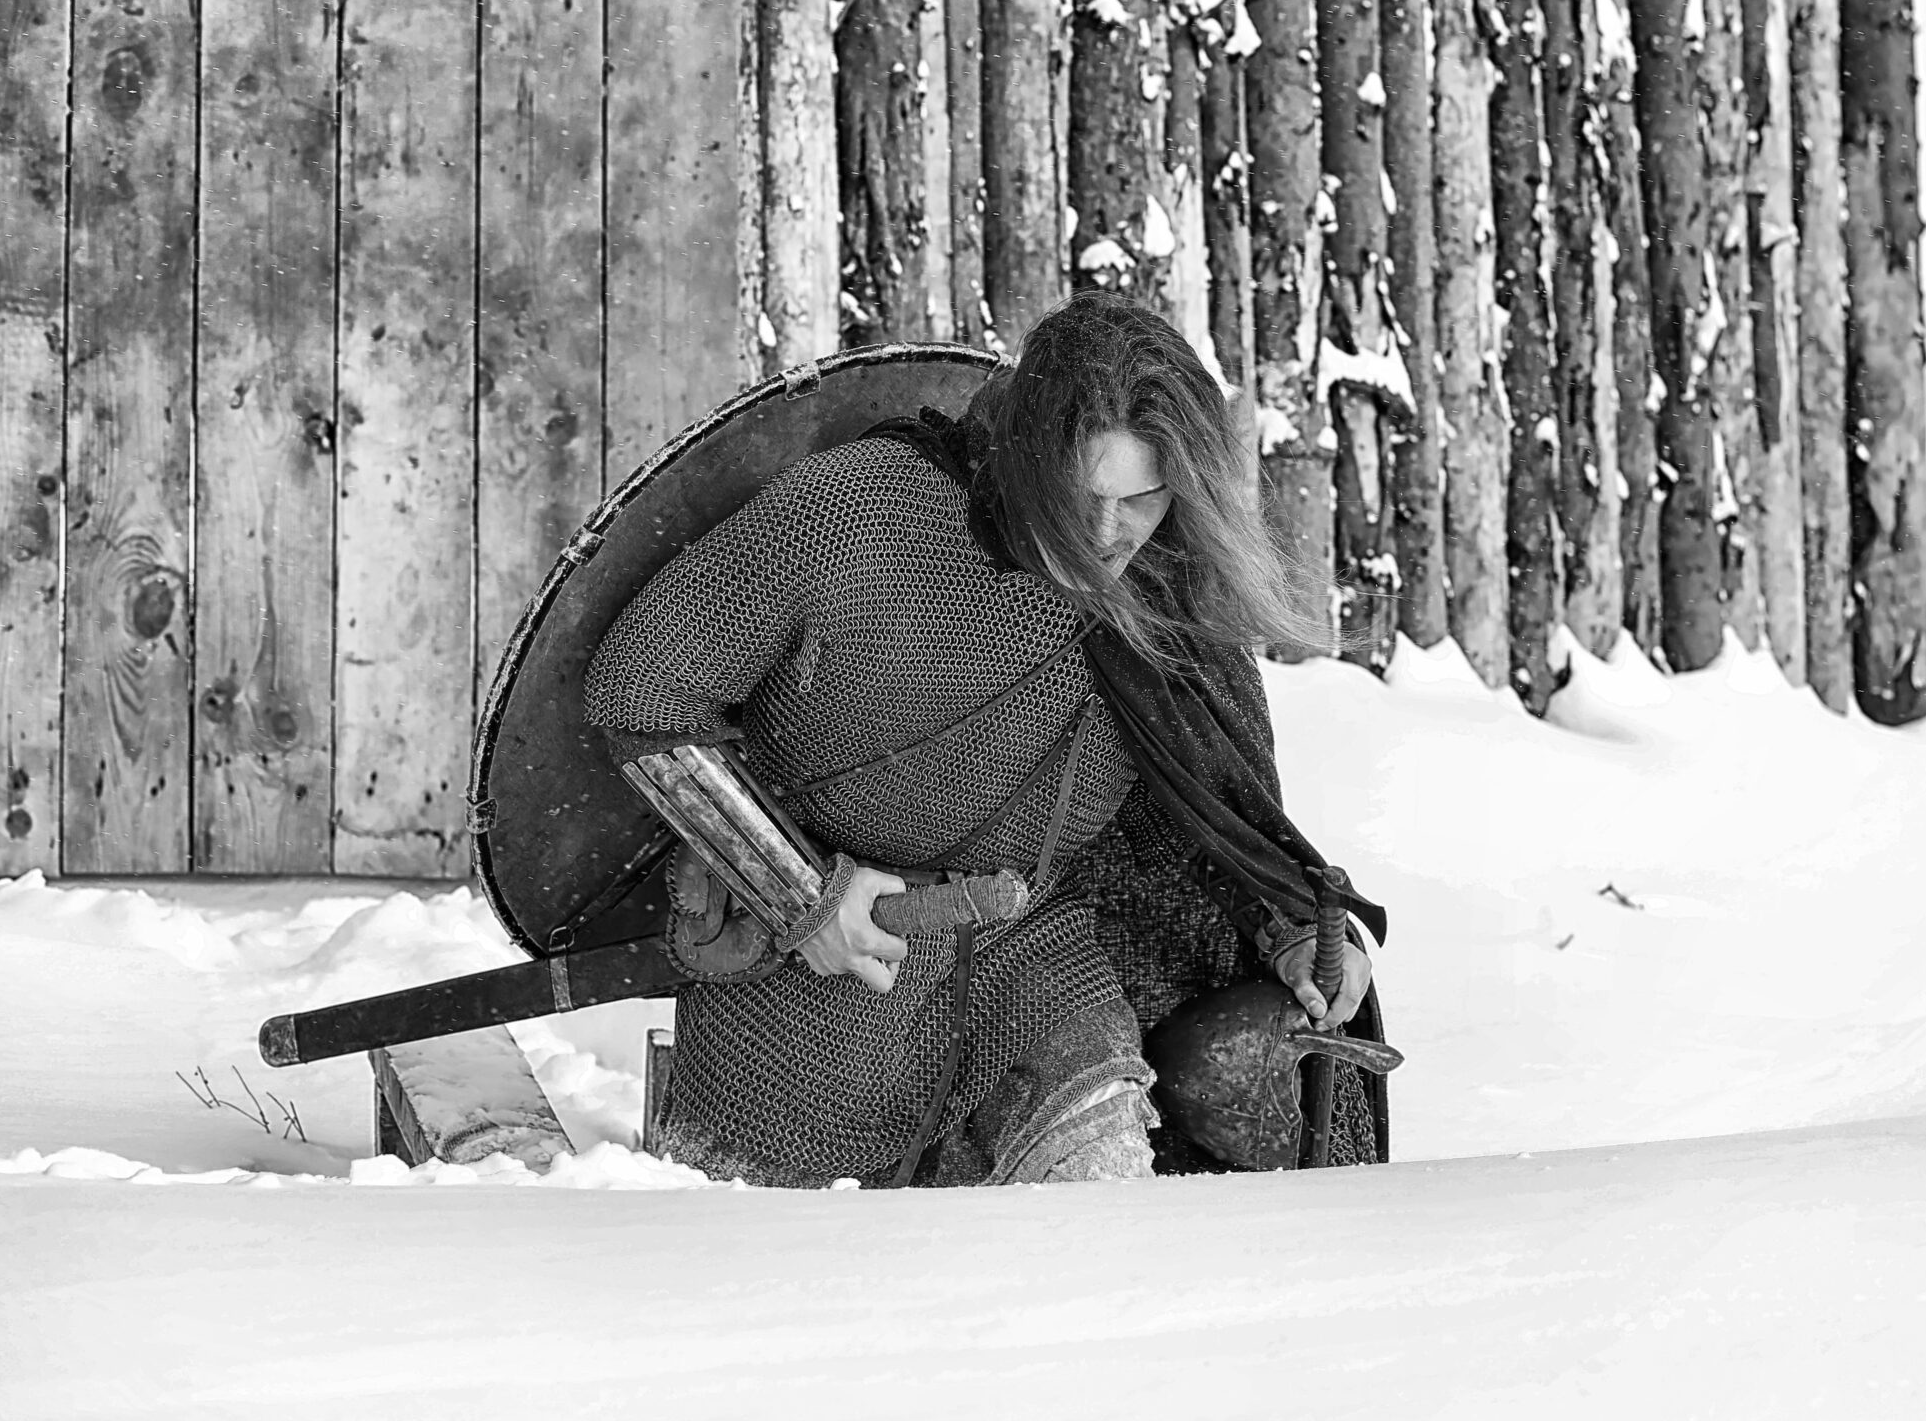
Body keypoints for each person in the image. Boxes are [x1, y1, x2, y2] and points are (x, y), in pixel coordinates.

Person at [583, 292, 1384, 1187]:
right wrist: (799, 896)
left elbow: (1205, 809)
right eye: (1085, 496)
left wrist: (1280, 926)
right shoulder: (855, 513)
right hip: (817, 995)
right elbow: (641, 690)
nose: (1112, 532)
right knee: (798, 1289)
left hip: (1032, 965)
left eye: (1145, 497)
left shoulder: (1164, 591)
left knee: (1105, 1209)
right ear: (1030, 462)